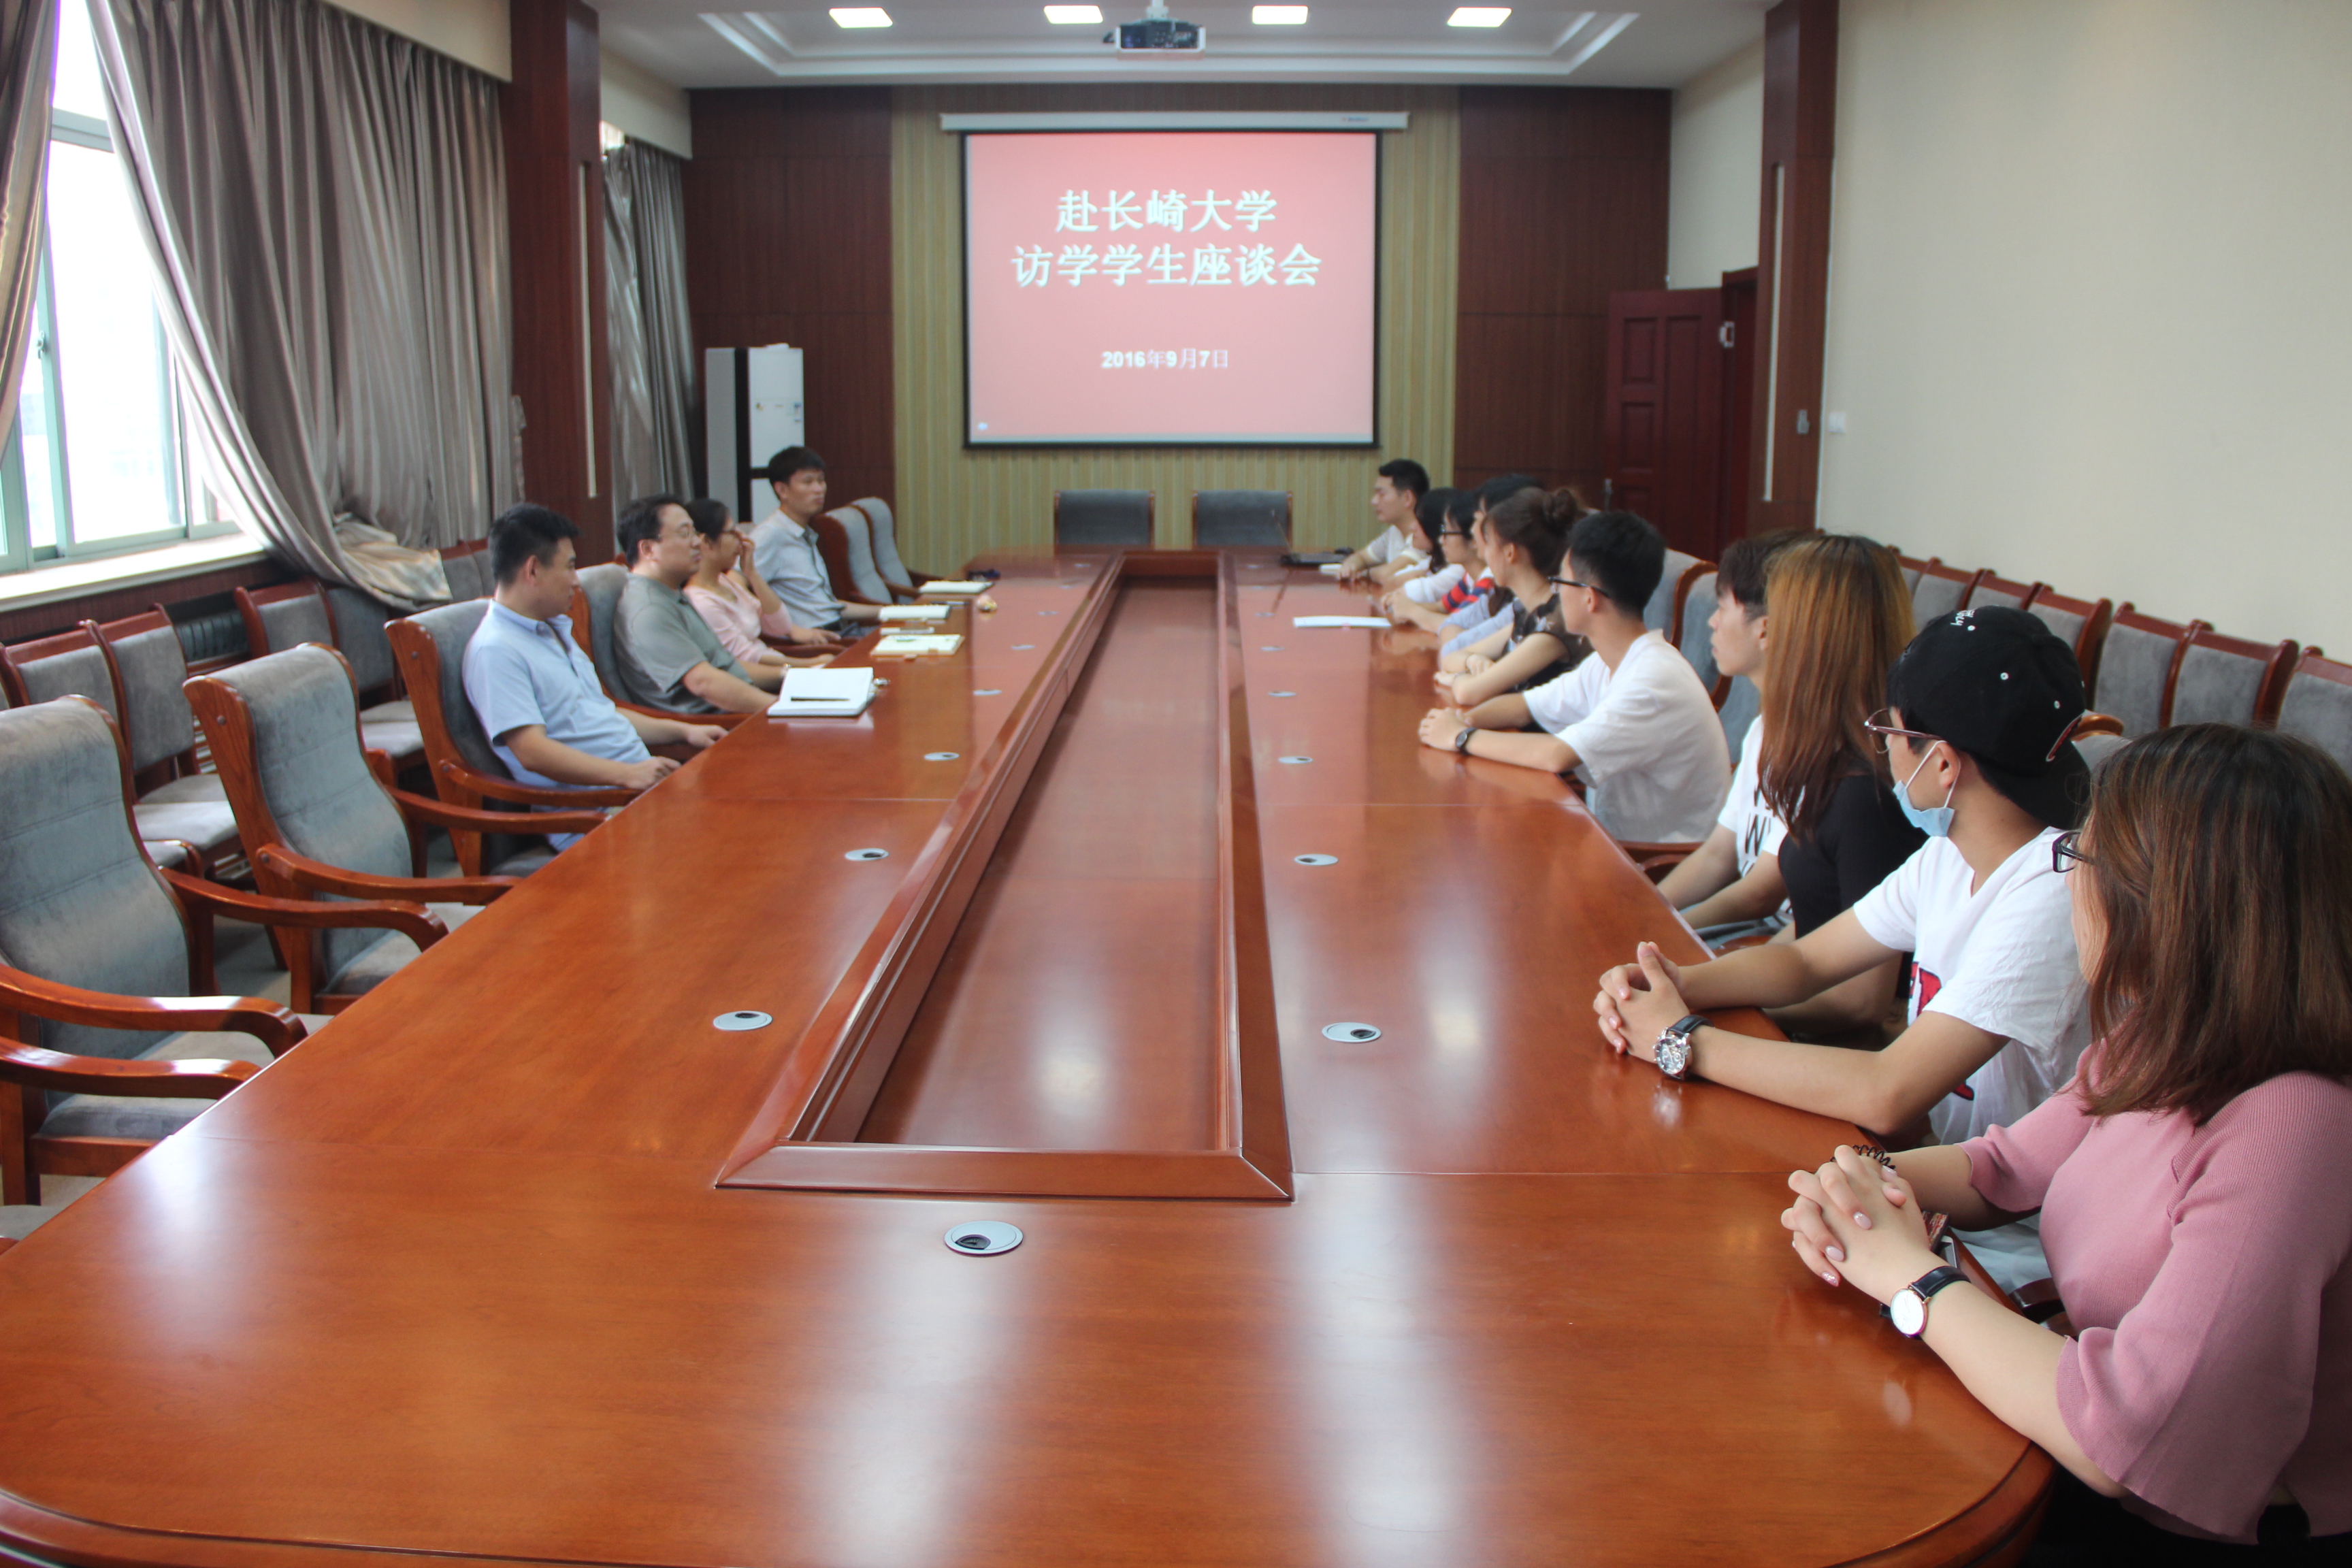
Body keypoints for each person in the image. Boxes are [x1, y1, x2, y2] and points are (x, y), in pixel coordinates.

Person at [1780, 724, 2352, 1559]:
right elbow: (2003, 1167)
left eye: (2083, 860)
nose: (2070, 882)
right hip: (2065, 1420)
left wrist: (1908, 1276)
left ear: (2170, 905)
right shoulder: (2158, 1037)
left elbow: (2129, 1431)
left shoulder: (2296, 1126)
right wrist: (1857, 1186)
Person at [1594, 605, 2095, 1287]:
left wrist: (1682, 1040)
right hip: (1937, 1189)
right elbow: (1807, 961)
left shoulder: (2053, 891)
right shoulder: (1952, 852)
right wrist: (1670, 983)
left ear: (1943, 763)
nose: (1883, 751)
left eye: (1891, 733)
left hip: (2027, 1242)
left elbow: (1888, 1091)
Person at [1424, 505, 1729, 843]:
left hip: (1651, 861)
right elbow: (1523, 706)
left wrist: (1462, 738)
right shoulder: (1609, 661)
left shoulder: (1653, 681)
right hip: (1610, 840)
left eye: (1560, 582)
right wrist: (1460, 722)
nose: (1555, 593)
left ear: (1589, 598)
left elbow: (1557, 754)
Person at [462, 504, 724, 844]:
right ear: (533, 570)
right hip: (599, 814)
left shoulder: (551, 629)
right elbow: (531, 751)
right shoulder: (496, 649)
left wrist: (685, 730)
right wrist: (627, 774)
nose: (576, 581)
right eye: (570, 567)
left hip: (638, 791)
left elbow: (602, 712)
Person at [1654, 530, 1803, 934]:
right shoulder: (1763, 728)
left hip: (1776, 936)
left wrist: (1659, 933)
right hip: (1751, 925)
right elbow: (1719, 854)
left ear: (1764, 629)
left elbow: (1760, 893)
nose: (1712, 622)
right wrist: (1646, 913)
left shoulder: (1814, 746)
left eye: (1723, 606)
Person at [613, 494, 781, 715]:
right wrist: (784, 707)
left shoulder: (670, 592)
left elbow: (725, 666)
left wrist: (790, 675)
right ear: (648, 549)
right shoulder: (649, 609)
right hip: (721, 723)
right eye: (685, 534)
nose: (696, 542)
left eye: (694, 532)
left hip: (743, 706)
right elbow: (704, 683)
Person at [1431, 483, 1587, 702]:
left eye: (1488, 544)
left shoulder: (1555, 620)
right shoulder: (1526, 608)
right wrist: (1472, 661)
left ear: (1510, 553)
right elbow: (1451, 657)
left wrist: (1457, 678)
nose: (1484, 555)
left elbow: (1469, 693)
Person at [681, 497, 834, 672]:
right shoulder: (701, 601)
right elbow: (746, 657)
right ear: (706, 542)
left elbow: (781, 626)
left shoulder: (724, 581)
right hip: (763, 676)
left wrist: (752, 573)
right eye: (732, 532)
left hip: (777, 664)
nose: (742, 539)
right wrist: (811, 664)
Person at [746, 447, 884, 636]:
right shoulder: (771, 534)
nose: (819, 489)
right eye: (808, 482)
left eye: (821, 480)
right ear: (782, 490)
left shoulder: (804, 532)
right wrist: (790, 629)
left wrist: (893, 612)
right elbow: (734, 584)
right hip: (820, 641)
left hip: (841, 630)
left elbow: (826, 607)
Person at [1383, 488, 1486, 632]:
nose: (1441, 540)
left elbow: (1459, 626)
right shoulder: (1469, 577)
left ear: (1473, 539)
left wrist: (1412, 612)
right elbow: (1441, 607)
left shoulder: (1488, 582)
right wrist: (1402, 607)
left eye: (1447, 532)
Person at [1335, 458, 1431, 583]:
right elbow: (1362, 557)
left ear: (1407, 498)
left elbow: (1385, 575)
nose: (1374, 501)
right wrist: (1350, 565)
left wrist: (1361, 572)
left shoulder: (1425, 537)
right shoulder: (1394, 531)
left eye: (1382, 494)